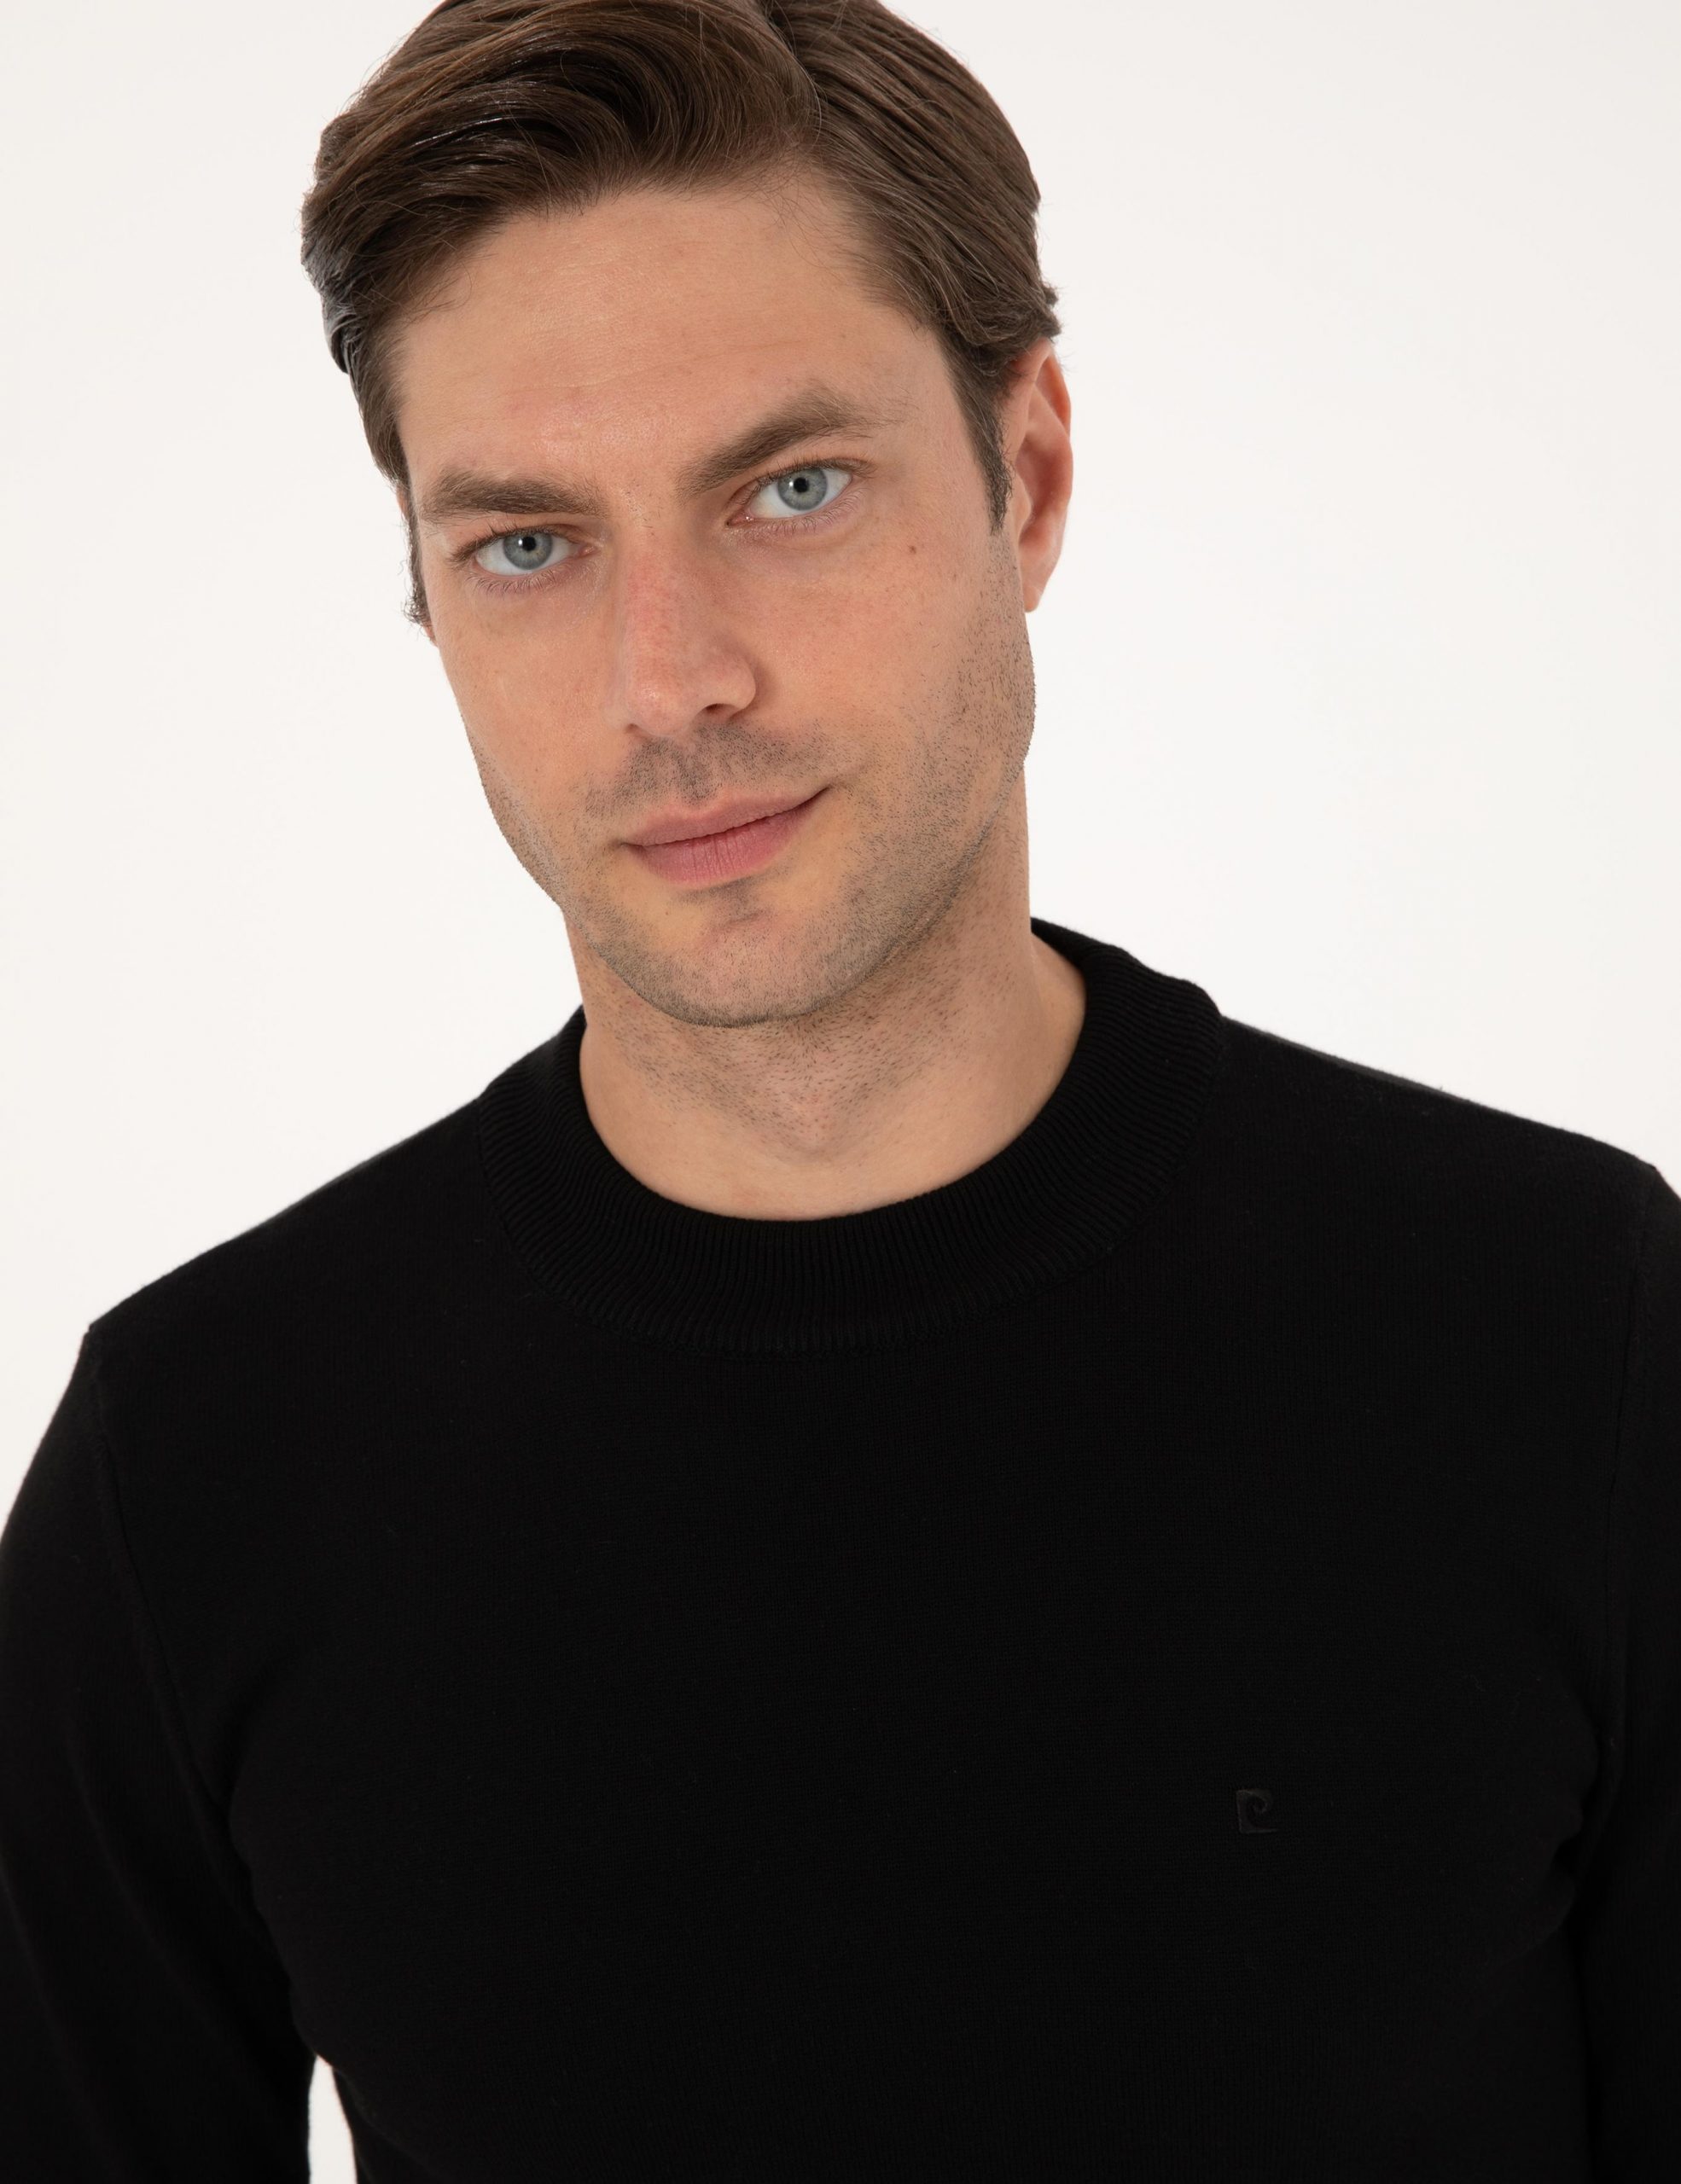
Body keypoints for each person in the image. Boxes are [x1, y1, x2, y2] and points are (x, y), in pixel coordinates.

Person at [2, 1, 1676, 2175]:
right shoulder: (200, 1461)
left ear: (1026, 476)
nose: (669, 679)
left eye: (790, 489)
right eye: (529, 542)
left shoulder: (1568, 1332)